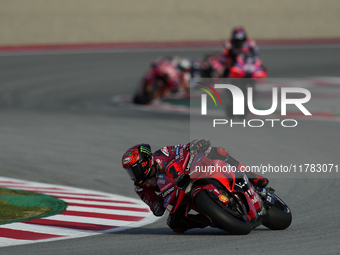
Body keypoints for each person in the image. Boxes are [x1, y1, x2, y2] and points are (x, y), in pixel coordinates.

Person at [121, 139, 268, 233]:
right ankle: (210, 219)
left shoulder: (162, 154)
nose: (133, 174)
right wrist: (159, 204)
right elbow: (156, 209)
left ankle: (252, 176)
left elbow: (181, 149)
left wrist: (195, 145)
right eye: (129, 171)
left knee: (218, 151)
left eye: (134, 169)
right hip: (178, 195)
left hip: (189, 173)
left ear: (145, 162)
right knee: (174, 224)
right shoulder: (140, 186)